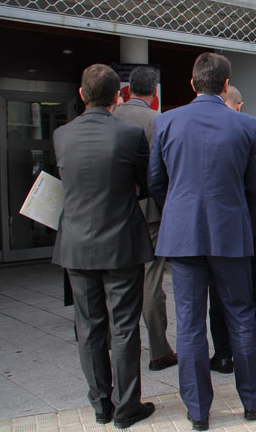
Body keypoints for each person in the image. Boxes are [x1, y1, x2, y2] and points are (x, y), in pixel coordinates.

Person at [148, 53, 256, 431]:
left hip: (182, 236)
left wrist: (181, 212)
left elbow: (155, 182)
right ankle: (252, 401)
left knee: (189, 323)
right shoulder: (248, 125)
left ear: (192, 83)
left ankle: (198, 411)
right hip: (231, 233)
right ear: (224, 85)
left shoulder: (166, 121)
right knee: (241, 315)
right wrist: (232, 210)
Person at [53, 64, 156, 428]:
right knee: (125, 325)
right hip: (122, 242)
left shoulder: (61, 135)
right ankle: (128, 407)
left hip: (76, 244)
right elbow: (146, 184)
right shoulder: (129, 135)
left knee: (89, 325)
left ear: (82, 94)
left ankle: (101, 404)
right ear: (119, 96)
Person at [207, 85, 256, 375]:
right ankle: (252, 353)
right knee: (253, 292)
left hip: (213, 225)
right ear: (239, 104)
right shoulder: (250, 127)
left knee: (218, 291)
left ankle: (223, 354)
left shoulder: (203, 128)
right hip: (249, 221)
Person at [112, 66, 178, 372]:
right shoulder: (158, 121)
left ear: (126, 91)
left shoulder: (110, 118)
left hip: (114, 213)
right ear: (154, 94)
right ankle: (159, 350)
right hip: (150, 211)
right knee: (151, 281)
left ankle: (120, 345)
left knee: (118, 279)